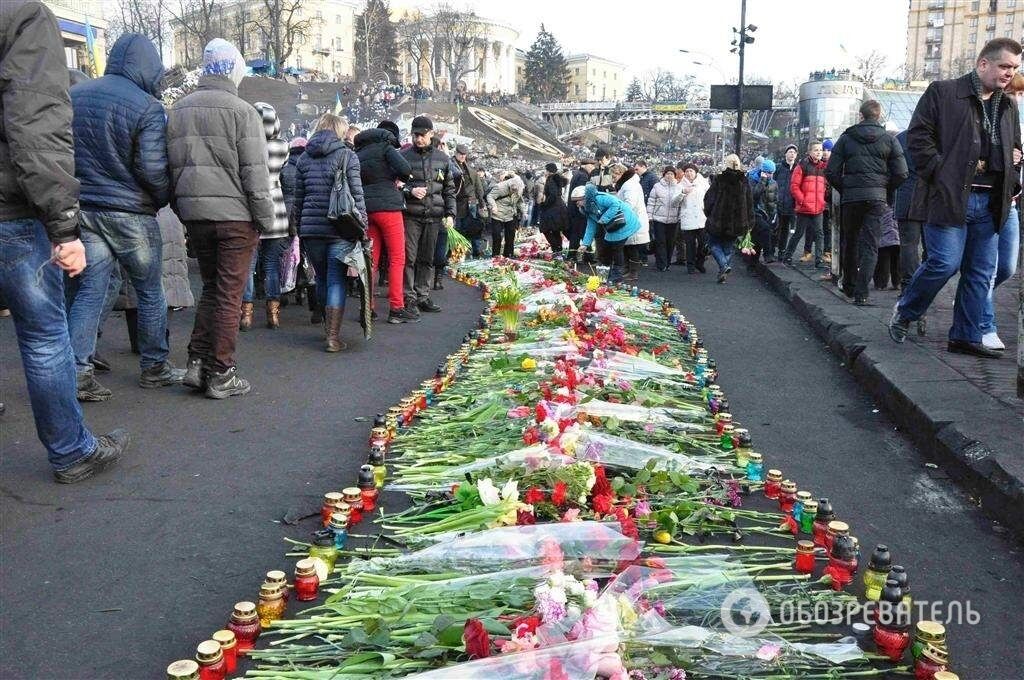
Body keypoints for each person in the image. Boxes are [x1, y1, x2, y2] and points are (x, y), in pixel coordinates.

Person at [0, 0, 129, 482]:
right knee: (42, 335)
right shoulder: (22, 15)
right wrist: (64, 227)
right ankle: (71, 451)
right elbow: (36, 125)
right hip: (11, 213)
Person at [66, 32, 183, 401]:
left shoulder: (76, 96)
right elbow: (151, 168)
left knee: (90, 290)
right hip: (131, 213)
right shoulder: (147, 107)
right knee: (149, 290)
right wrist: (161, 197)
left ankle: (77, 371)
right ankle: (154, 367)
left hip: (86, 210)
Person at [890, 38, 1023, 359]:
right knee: (943, 263)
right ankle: (906, 311)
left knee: (980, 272)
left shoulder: (1008, 104)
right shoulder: (943, 91)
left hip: (991, 202)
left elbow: (1015, 148)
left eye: (1015, 68)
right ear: (983, 64)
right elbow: (918, 139)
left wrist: (1014, 171)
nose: (1010, 73)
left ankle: (965, 335)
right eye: (1005, 66)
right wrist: (942, 174)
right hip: (949, 197)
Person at [167, 38, 275, 397]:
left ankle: (197, 364)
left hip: (196, 216)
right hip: (235, 218)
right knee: (230, 293)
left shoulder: (178, 110)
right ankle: (221, 372)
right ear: (234, 69)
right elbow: (256, 177)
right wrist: (265, 220)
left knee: (212, 288)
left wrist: (182, 208)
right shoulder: (242, 111)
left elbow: (170, 167)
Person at [293, 113, 367, 351]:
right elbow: (357, 194)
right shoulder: (347, 156)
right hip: (340, 227)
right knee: (337, 280)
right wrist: (362, 224)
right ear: (339, 131)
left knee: (322, 278)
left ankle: (328, 326)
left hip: (311, 230)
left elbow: (299, 198)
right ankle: (332, 337)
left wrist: (299, 226)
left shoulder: (304, 157)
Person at [825, 99, 908, 305]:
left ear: (860, 116)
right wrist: (885, 189)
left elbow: (831, 171)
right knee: (871, 245)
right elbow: (902, 173)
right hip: (877, 198)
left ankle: (850, 287)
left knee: (850, 242)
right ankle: (862, 294)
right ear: (878, 116)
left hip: (851, 199)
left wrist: (846, 188)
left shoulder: (846, 138)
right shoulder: (890, 140)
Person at [980, 72, 1024, 349]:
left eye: (1020, 93)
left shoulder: (1015, 121)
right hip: (986, 200)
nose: (1016, 99)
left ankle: (972, 296)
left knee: (1007, 267)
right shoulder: (989, 118)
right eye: (1012, 93)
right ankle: (986, 325)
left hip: (1011, 202)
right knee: (987, 269)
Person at [354, 120, 414, 324]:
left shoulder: (359, 152)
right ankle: (396, 308)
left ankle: (367, 307)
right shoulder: (386, 148)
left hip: (367, 209)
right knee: (397, 258)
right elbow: (405, 169)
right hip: (389, 207)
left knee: (371, 261)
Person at [398, 116, 456, 316]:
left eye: (422, 135)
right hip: (410, 215)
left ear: (431, 134)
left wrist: (450, 213)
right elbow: (395, 184)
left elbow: (449, 189)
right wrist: (409, 190)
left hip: (434, 215)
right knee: (409, 257)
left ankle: (423, 295)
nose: (418, 139)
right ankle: (409, 297)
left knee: (427, 258)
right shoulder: (403, 156)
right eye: (415, 135)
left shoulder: (443, 159)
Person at [241, 102, 291, 330]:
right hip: (276, 211)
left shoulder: (245, 146)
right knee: (271, 265)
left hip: (250, 209)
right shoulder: (283, 147)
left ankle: (246, 315)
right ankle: (273, 314)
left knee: (248, 266)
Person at [571, 183, 641, 284]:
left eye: (578, 201)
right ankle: (607, 271)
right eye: (575, 201)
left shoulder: (600, 198)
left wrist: (605, 218)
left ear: (585, 198)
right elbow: (590, 226)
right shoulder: (587, 209)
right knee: (608, 247)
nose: (576, 204)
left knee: (616, 247)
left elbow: (615, 203)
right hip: (613, 225)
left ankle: (616, 274)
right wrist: (585, 244)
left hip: (625, 221)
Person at [703, 154, 754, 284]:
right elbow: (749, 202)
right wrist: (749, 220)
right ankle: (723, 270)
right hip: (738, 221)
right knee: (728, 247)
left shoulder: (719, 179)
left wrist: (709, 213)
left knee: (713, 244)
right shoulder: (744, 181)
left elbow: (709, 199)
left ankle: (723, 265)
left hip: (718, 220)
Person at [782, 141, 828, 268]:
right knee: (799, 233)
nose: (819, 152)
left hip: (818, 207)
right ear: (810, 152)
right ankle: (787, 256)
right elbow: (794, 186)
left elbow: (826, 187)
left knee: (819, 234)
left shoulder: (823, 167)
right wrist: (802, 201)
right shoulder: (802, 166)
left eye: (820, 150)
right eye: (816, 150)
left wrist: (823, 200)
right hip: (804, 208)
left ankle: (819, 260)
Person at [892, 130, 923, 290]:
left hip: (906, 196)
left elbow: (894, 171)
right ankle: (923, 286)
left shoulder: (900, 139)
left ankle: (909, 286)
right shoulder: (939, 135)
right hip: (931, 197)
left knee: (908, 246)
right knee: (932, 247)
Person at [611, 163, 651, 283]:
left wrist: (617, 209)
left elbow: (629, 203)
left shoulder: (629, 185)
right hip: (630, 220)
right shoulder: (628, 184)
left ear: (620, 173)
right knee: (628, 247)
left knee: (632, 247)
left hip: (632, 220)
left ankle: (633, 272)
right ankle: (628, 269)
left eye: (614, 176)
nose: (613, 179)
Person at [646, 166, 683, 271]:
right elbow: (651, 201)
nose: (669, 176)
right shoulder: (657, 186)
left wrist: (680, 217)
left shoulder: (679, 187)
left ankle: (667, 262)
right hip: (659, 219)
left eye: (671, 174)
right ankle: (661, 264)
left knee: (671, 242)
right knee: (660, 241)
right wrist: (649, 216)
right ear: (664, 175)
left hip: (673, 219)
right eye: (667, 174)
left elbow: (681, 205)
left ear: (675, 176)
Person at [452, 144, 486, 258]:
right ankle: (457, 254)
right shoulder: (450, 166)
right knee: (457, 229)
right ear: (456, 153)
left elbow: (479, 188)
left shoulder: (471, 171)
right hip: (456, 203)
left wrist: (481, 203)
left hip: (470, 203)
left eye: (464, 154)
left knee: (473, 228)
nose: (462, 156)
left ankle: (475, 251)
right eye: (460, 154)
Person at [675, 163, 710, 274]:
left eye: (691, 171)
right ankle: (690, 265)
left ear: (696, 172)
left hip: (701, 218)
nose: (689, 173)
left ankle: (699, 262)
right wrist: (682, 193)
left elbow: (710, 198)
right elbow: (674, 203)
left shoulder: (704, 184)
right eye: (687, 171)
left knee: (703, 243)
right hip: (688, 218)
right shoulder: (680, 185)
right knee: (689, 244)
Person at [486, 171, 525, 258]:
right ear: (509, 185)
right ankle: (496, 256)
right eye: (513, 190)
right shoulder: (500, 187)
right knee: (497, 236)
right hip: (498, 214)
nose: (515, 191)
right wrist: (494, 206)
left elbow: (520, 201)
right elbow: (490, 196)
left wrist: (523, 212)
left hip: (510, 214)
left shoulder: (520, 188)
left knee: (510, 236)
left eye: (517, 190)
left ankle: (508, 255)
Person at [772, 145, 799, 262]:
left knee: (785, 230)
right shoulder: (778, 168)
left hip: (790, 204)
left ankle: (782, 251)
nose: (792, 154)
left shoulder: (798, 169)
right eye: (790, 152)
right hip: (777, 204)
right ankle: (771, 250)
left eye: (794, 152)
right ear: (786, 154)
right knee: (775, 228)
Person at [751, 159, 779, 267]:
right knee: (765, 230)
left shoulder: (774, 183)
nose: (770, 175)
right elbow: (754, 196)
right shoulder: (753, 180)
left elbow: (775, 200)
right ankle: (768, 255)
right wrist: (762, 181)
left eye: (772, 173)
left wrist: (775, 214)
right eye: (768, 172)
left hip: (768, 213)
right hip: (756, 212)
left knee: (758, 238)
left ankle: (753, 264)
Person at [538, 162, 570, 254]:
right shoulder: (557, 179)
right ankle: (558, 250)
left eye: (546, 170)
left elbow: (553, 195)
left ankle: (556, 249)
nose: (545, 172)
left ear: (548, 171)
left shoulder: (551, 179)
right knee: (556, 230)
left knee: (545, 229)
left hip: (553, 209)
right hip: (559, 207)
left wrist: (544, 204)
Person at [567, 159, 595, 252]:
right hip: (579, 209)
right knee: (582, 232)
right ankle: (587, 255)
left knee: (575, 233)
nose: (593, 168)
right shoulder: (583, 176)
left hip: (573, 210)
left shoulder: (577, 174)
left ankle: (573, 255)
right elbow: (582, 194)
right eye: (592, 165)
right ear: (586, 165)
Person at [873, 206, 901, 290]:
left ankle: (881, 284)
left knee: (883, 262)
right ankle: (897, 283)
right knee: (897, 262)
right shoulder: (898, 208)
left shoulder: (879, 209)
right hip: (897, 239)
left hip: (883, 241)